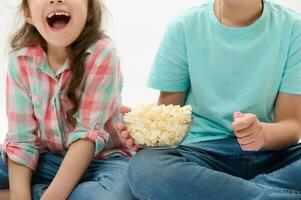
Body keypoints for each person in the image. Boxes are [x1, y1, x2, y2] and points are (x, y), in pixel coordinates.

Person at [118, 0, 301, 199]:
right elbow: (169, 114)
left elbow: (292, 126)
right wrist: (146, 130)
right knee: (147, 168)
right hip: (200, 155)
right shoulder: (185, 26)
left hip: (271, 155)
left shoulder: (293, 27)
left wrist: (263, 134)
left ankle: (226, 192)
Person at [0, 0, 134, 200]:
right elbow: (21, 140)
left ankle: (37, 192)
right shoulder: (20, 59)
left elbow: (86, 137)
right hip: (45, 160)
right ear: (28, 13)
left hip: (102, 162)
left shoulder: (101, 53)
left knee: (110, 195)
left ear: (89, 9)